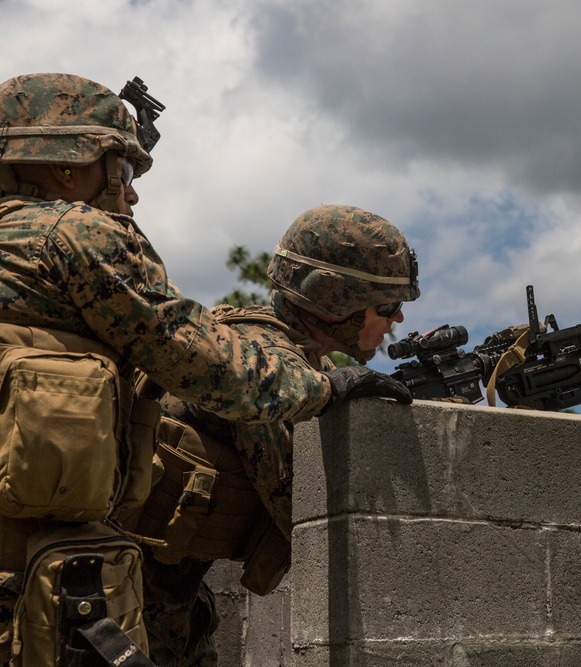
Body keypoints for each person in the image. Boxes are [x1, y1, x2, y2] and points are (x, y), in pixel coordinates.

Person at [0, 73, 412, 664]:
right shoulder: (78, 236)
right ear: (67, 167)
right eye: (121, 170)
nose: (132, 194)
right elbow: (204, 361)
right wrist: (324, 388)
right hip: (40, 572)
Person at [132, 204, 419, 666]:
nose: (397, 321)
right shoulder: (261, 366)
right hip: (127, 600)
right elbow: (301, 512)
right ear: (335, 300)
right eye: (387, 306)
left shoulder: (298, 366)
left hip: (167, 598)